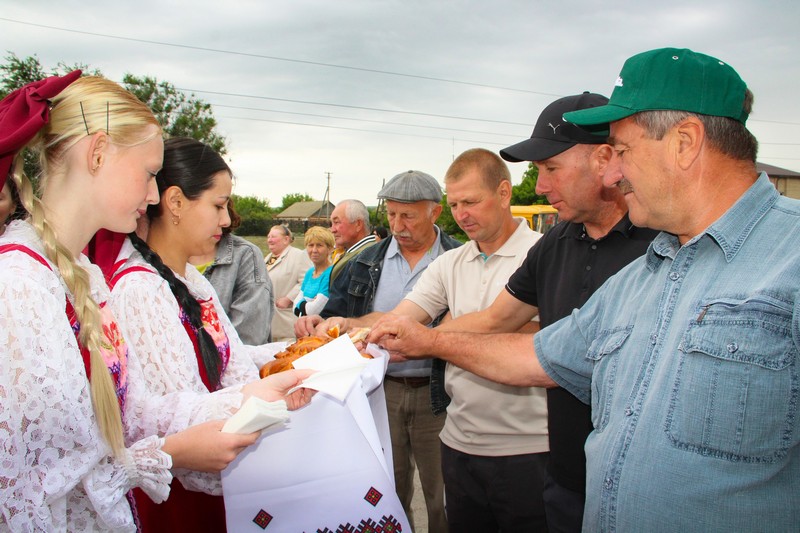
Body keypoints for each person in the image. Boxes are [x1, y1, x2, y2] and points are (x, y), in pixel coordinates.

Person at [369, 48, 800, 531]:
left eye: (622, 150)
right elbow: (539, 357)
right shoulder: (650, 271)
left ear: (684, 142)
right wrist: (425, 340)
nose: (612, 173)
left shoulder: (791, 259)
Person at [0, 73, 311, 532]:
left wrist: (252, 394)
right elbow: (27, 497)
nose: (152, 197)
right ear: (98, 153)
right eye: (148, 173)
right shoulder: (21, 288)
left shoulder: (80, 276)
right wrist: (170, 453)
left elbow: (135, 411)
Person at [434, 92, 659, 532]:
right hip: (564, 478)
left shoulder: (661, 244)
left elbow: (551, 356)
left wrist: (429, 340)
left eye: (550, 168)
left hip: (634, 487)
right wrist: (412, 335)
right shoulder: (555, 242)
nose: (539, 186)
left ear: (605, 158)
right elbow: (496, 319)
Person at [311, 152, 549, 531]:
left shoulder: (544, 253)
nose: (462, 214)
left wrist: (435, 338)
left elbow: (551, 340)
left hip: (527, 447)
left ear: (504, 192)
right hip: (459, 441)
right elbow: (401, 318)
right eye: (455, 204)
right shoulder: (450, 264)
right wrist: (348, 326)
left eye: (470, 201)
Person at [106, 136, 312, 532]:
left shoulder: (190, 282)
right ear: (176, 202)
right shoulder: (140, 290)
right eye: (218, 205)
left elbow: (231, 358)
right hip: (177, 495)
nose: (226, 220)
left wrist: (297, 353)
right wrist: (272, 394)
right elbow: (175, 418)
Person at [298, 170, 460, 532]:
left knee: (443, 496)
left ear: (435, 213)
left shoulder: (458, 259)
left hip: (439, 395)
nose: (397, 225)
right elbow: (335, 314)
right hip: (378, 393)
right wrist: (317, 323)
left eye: (409, 215)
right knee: (386, 489)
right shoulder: (362, 261)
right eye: (391, 215)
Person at [190, 198, 274, 345]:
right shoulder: (155, 258)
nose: (226, 220)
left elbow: (249, 339)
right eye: (216, 206)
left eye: (223, 206)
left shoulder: (245, 255)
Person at [265, 224, 311, 341]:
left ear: (286, 239)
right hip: (269, 325)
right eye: (268, 236)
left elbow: (308, 281)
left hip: (287, 324)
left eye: (273, 236)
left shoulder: (299, 255)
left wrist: (288, 298)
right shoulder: (267, 258)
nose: (269, 239)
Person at [328, 199, 375, 282]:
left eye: (337, 222)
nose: (332, 230)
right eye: (332, 224)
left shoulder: (366, 258)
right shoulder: (356, 252)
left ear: (358, 224)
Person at [293, 225, 335, 317]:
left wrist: (302, 303)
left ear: (330, 249)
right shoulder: (309, 272)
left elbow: (313, 310)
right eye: (311, 245)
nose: (314, 250)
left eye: (319, 245)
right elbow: (294, 307)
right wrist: (307, 303)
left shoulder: (330, 273)